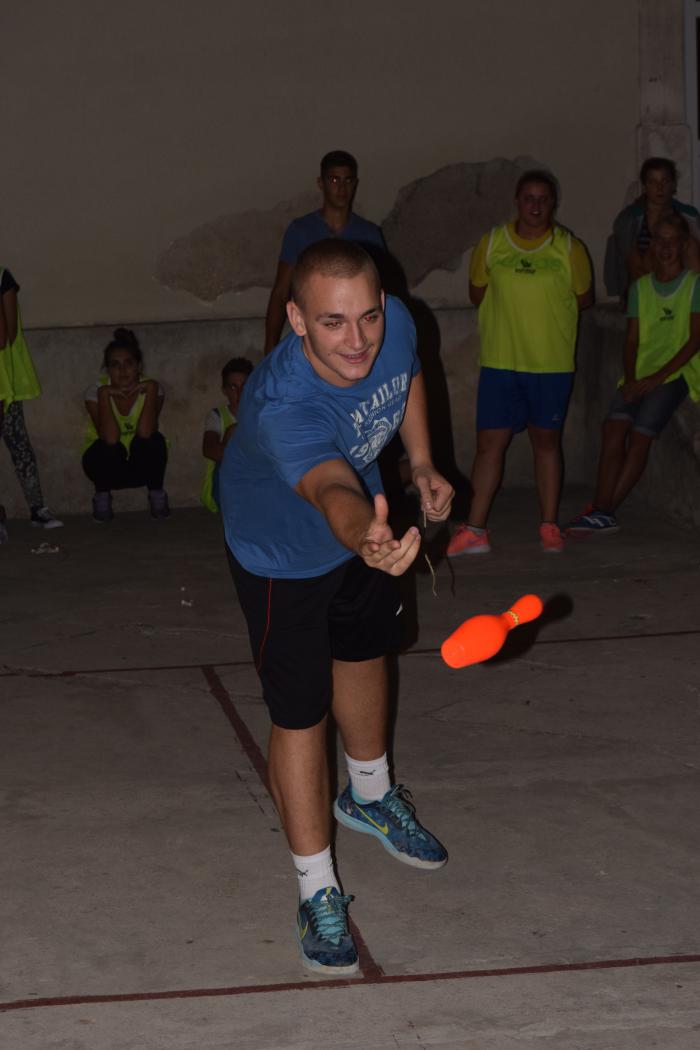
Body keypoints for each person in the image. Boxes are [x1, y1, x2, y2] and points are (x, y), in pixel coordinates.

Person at [220, 239, 453, 975]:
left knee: (364, 647)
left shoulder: (396, 323)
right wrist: (367, 538)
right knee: (300, 713)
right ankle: (316, 887)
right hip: (281, 552)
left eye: (367, 316)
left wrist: (421, 461)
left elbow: (407, 374)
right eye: (332, 323)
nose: (358, 341)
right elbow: (331, 490)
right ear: (296, 319)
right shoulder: (280, 403)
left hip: (366, 523)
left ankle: (371, 796)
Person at [446, 169, 593, 556]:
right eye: (529, 198)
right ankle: (475, 530)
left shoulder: (569, 247)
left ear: (553, 203)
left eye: (543, 199)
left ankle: (549, 525)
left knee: (546, 443)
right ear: (517, 201)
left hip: (550, 365)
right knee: (489, 445)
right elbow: (477, 294)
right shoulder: (493, 243)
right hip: (502, 362)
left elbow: (584, 297)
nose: (536, 206)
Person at [568, 213, 700, 533]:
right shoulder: (640, 288)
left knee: (640, 436)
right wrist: (630, 379)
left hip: (676, 372)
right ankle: (601, 508)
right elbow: (631, 340)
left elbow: (694, 340)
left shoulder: (694, 285)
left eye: (673, 241)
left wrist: (656, 379)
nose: (666, 248)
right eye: (660, 240)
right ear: (651, 245)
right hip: (641, 370)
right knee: (613, 428)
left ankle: (603, 510)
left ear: (683, 245)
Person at [263, 150, 386, 354]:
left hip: (355, 337)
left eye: (347, 180)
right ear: (321, 183)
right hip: (313, 337)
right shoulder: (301, 231)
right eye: (334, 180)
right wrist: (270, 345)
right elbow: (281, 291)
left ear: (355, 184)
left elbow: (382, 293)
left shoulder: (369, 234)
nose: (341, 188)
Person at [82, 328, 169, 522]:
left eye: (128, 363)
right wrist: (105, 394)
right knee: (109, 448)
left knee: (154, 441)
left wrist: (151, 388)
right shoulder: (95, 391)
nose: (122, 371)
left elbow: (146, 432)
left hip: (140, 466)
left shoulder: (153, 388)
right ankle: (102, 497)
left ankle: (157, 494)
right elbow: (109, 438)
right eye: (115, 365)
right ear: (107, 369)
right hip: (107, 467)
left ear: (139, 366)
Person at [0, 265, 63, 528]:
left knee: (19, 445)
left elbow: (6, 336)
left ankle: (37, 508)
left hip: (5, 382)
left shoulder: (2, 278)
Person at [604, 157, 700, 302]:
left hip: (680, 286)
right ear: (644, 186)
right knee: (657, 246)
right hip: (643, 286)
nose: (659, 188)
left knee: (689, 243)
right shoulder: (629, 219)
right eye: (653, 182)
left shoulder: (688, 215)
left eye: (665, 181)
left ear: (673, 185)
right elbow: (632, 265)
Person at [200, 356, 253, 512]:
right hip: (227, 483)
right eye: (233, 387)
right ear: (225, 390)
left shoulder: (262, 414)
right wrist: (232, 432)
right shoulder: (217, 416)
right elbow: (210, 451)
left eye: (245, 386)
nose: (240, 392)